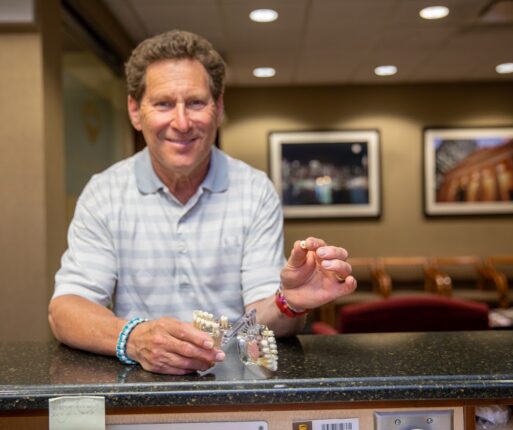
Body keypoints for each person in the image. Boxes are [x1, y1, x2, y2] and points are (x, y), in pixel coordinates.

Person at [48, 29, 356, 375]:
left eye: (195, 103)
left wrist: (289, 303)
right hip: (139, 389)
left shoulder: (254, 190)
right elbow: (66, 309)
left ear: (219, 107)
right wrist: (135, 338)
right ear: (135, 111)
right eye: (163, 104)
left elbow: (263, 317)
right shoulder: (103, 192)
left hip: (235, 389)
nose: (181, 123)